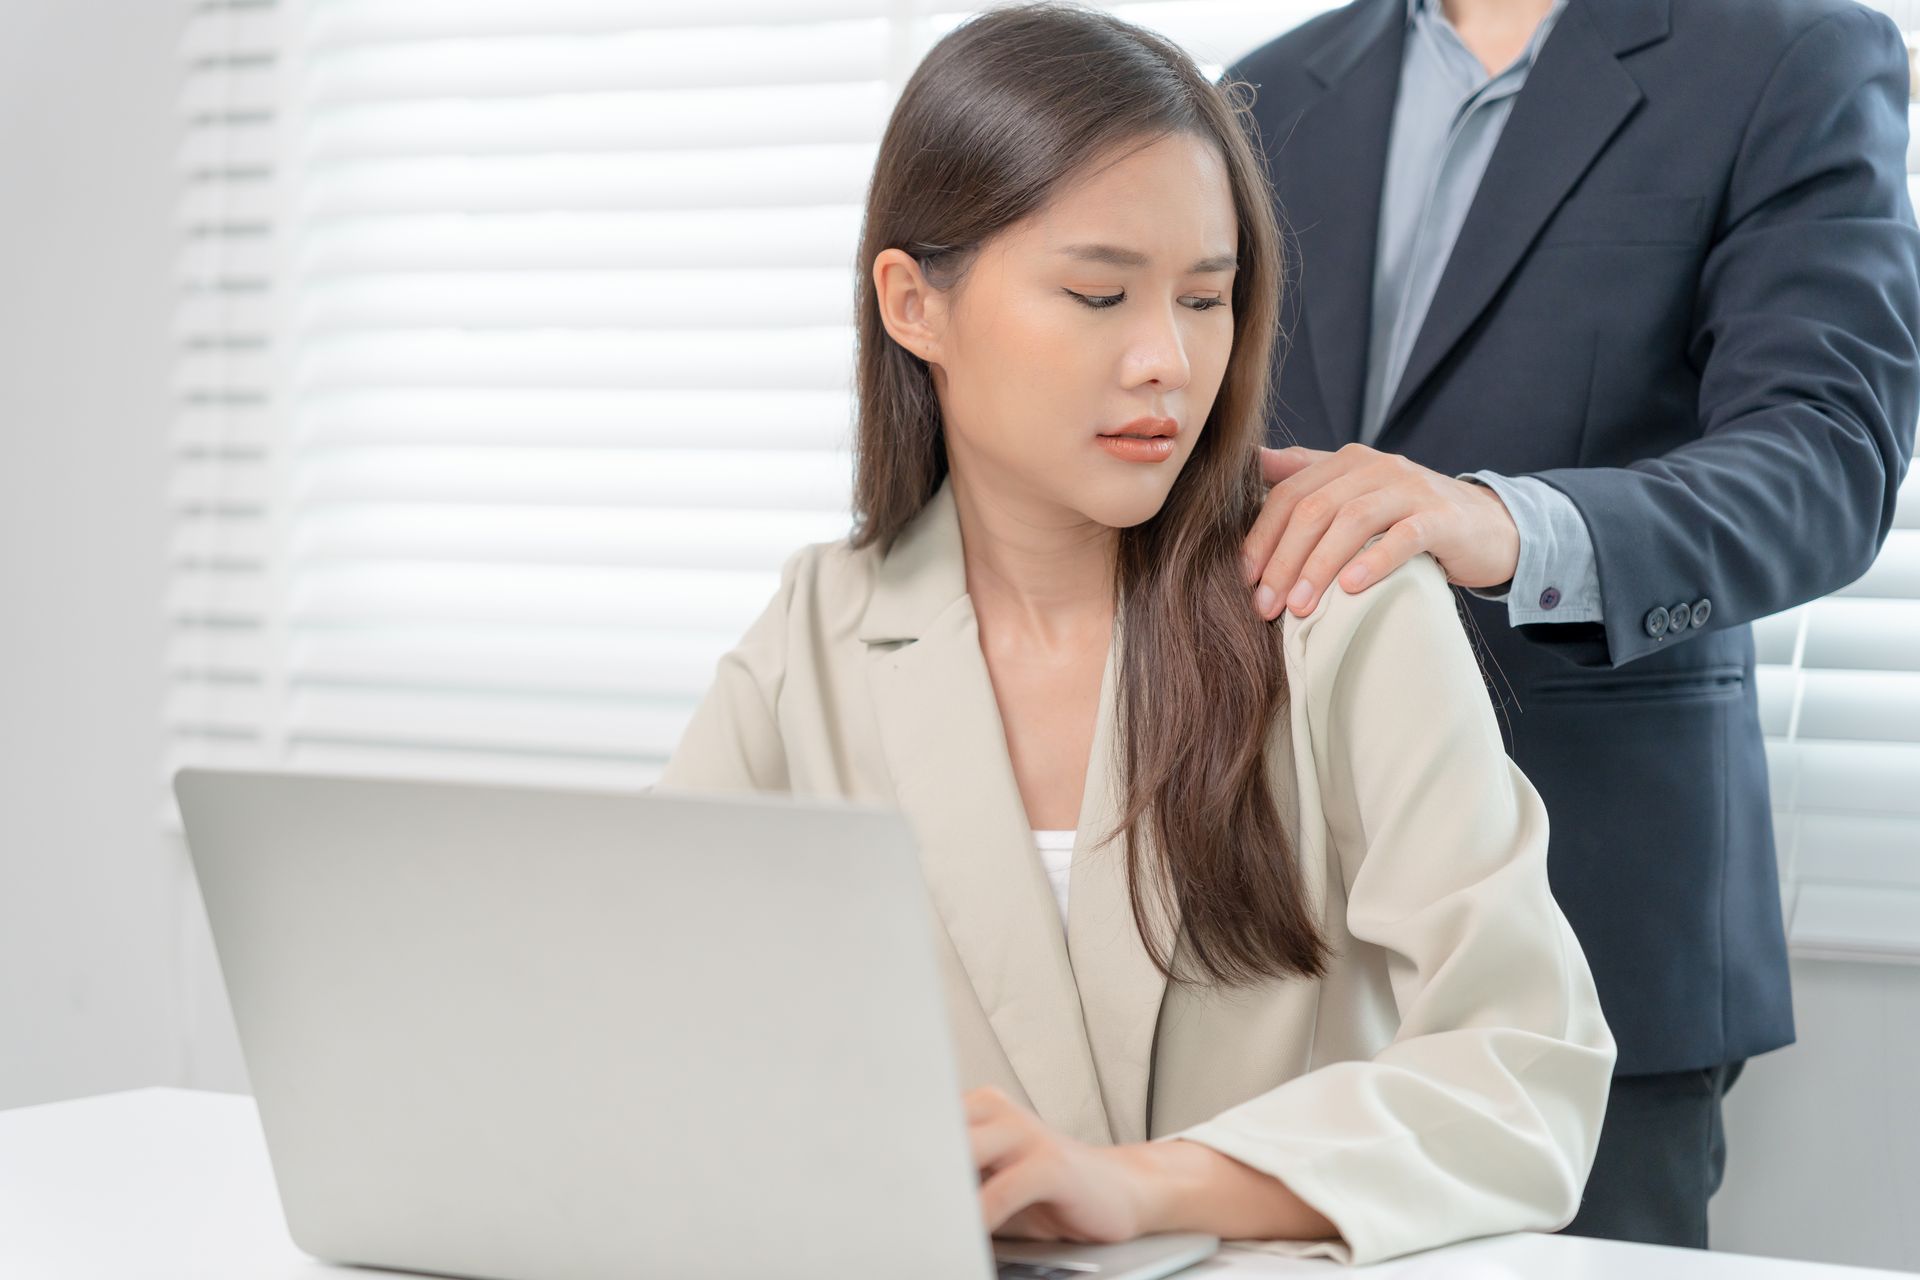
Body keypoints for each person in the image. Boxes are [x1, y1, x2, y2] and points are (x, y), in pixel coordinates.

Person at [654, 3, 1614, 1265]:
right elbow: (647, 1022)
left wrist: (1142, 1187)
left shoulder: (1340, 602)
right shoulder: (817, 634)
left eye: (1206, 299)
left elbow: (1523, 1069)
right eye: (1099, 292)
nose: (1168, 358)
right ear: (912, 304)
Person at [1224, 0, 1920, 1248]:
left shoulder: (1788, 53)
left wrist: (1502, 521)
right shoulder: (1268, 88)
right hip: (1263, 923)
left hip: (1596, 925)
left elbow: (1828, 455)